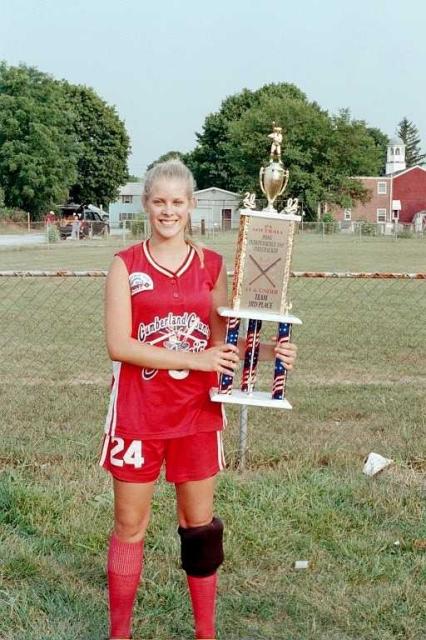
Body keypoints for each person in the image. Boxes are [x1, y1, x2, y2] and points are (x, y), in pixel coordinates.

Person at [100, 159, 297, 640]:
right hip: (139, 414)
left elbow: (220, 339)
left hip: (196, 412)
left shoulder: (211, 266)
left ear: (191, 207)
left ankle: (205, 633)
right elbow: (119, 345)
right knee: (130, 526)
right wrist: (198, 359)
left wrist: (271, 351)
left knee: (199, 525)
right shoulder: (125, 264)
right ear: (147, 205)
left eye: (178, 202)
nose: (169, 211)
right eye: (160, 201)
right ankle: (119, 633)